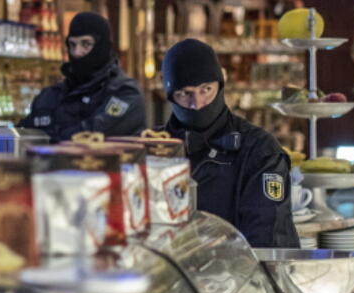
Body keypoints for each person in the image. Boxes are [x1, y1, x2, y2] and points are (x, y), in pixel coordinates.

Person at [160, 38, 298, 248]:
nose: (197, 104)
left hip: (237, 275)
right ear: (170, 96)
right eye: (185, 94)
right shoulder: (151, 149)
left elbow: (268, 239)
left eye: (206, 90)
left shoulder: (259, 150)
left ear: (220, 85)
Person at [19, 13, 146, 142]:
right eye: (72, 45)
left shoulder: (125, 92)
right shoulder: (50, 96)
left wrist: (49, 137)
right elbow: (22, 134)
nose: (77, 53)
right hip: (49, 162)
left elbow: (89, 136)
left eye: (86, 44)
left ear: (102, 47)